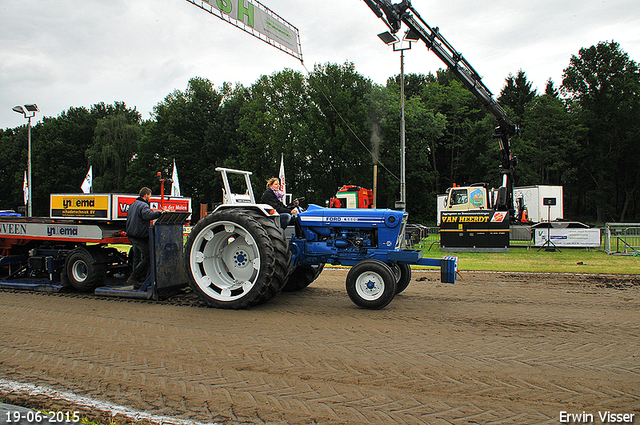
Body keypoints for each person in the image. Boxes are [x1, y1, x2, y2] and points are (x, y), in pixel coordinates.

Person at [125, 187, 167, 287]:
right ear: (146, 195)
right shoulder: (143, 205)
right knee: (148, 256)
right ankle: (134, 277)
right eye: (150, 196)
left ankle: (137, 280)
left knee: (137, 257)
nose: (150, 198)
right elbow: (147, 215)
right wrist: (161, 213)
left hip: (132, 234)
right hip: (139, 235)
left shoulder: (133, 205)